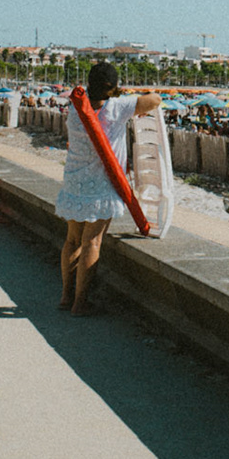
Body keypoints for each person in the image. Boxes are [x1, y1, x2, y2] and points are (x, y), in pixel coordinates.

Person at [55, 62, 160, 315]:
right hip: (102, 185)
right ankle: (81, 303)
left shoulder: (75, 107)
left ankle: (66, 296)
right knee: (92, 242)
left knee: (72, 240)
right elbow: (155, 99)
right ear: (113, 88)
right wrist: (122, 95)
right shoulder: (118, 108)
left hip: (74, 181)